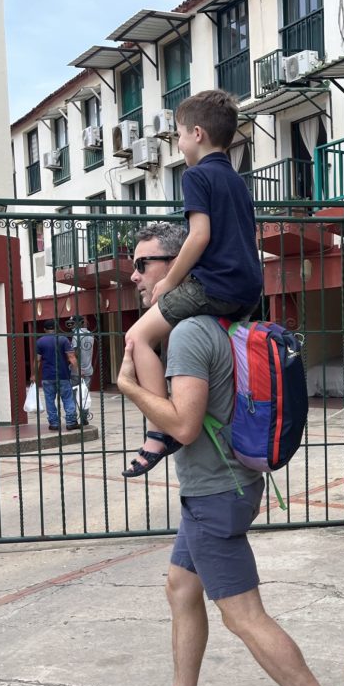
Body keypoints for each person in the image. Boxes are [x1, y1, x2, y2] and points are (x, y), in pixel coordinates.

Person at [116, 225, 344, 686]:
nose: (134, 274)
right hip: (222, 486)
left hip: (215, 493)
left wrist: (129, 387)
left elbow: (182, 425)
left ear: (177, 265)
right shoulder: (216, 324)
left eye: (143, 263)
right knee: (181, 587)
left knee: (244, 615)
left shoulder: (189, 335)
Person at [119, 89, 263, 478]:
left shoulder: (197, 175)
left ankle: (157, 432)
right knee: (170, 331)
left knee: (137, 338)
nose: (178, 143)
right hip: (247, 289)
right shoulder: (235, 180)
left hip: (214, 285)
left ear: (197, 134)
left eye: (179, 135)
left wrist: (168, 280)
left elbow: (198, 236)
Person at [34, 319, 80, 431]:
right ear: (56, 327)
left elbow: (37, 360)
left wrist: (33, 375)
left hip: (47, 376)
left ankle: (54, 423)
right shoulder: (63, 339)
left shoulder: (40, 342)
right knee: (68, 398)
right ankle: (71, 422)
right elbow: (71, 357)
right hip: (63, 375)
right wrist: (78, 371)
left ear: (44, 329)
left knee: (49, 399)